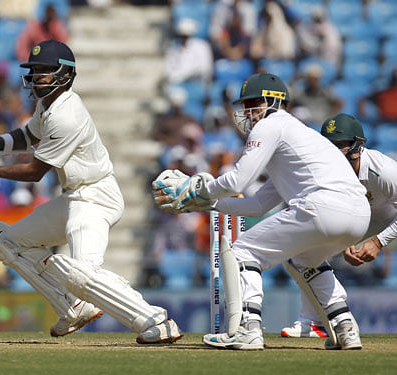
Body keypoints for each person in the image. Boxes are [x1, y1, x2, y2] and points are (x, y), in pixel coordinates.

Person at [0, 40, 182, 344]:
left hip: (95, 198)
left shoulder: (67, 115)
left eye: (45, 71)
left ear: (65, 74)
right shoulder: (47, 106)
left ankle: (156, 320)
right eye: (34, 71)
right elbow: (28, 135)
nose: (37, 78)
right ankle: (73, 307)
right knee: (8, 242)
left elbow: (36, 172)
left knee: (79, 273)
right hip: (75, 197)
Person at [152, 73, 370, 350]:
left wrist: (196, 189)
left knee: (243, 251)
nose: (247, 111)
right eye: (246, 105)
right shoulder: (299, 141)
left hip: (323, 206)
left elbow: (237, 181)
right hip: (358, 214)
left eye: (253, 103)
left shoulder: (270, 125)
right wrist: (209, 204)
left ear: (273, 101)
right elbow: (258, 204)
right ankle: (345, 326)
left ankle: (248, 327)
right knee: (305, 260)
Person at [281, 113, 397, 338]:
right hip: (357, 219)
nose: (335, 153)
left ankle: (330, 316)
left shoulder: (383, 170)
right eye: (329, 146)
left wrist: (378, 241)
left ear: (357, 146)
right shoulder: (323, 171)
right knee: (304, 250)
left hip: (389, 220)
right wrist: (347, 238)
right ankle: (313, 322)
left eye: (341, 146)